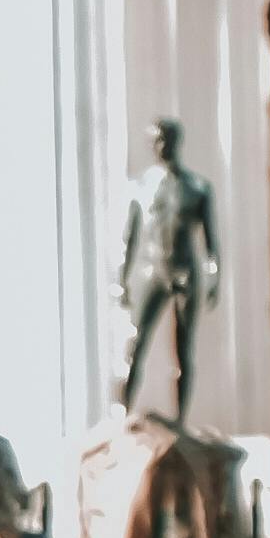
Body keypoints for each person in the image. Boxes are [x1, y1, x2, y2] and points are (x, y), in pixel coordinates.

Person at [115, 116, 221, 420]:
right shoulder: (141, 187)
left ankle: (180, 420)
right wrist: (120, 281)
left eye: (164, 140)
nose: (160, 147)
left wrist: (215, 276)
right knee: (135, 342)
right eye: (155, 141)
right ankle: (123, 414)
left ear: (176, 142)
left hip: (186, 273)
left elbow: (211, 241)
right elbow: (129, 237)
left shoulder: (197, 188)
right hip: (152, 270)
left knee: (183, 350)